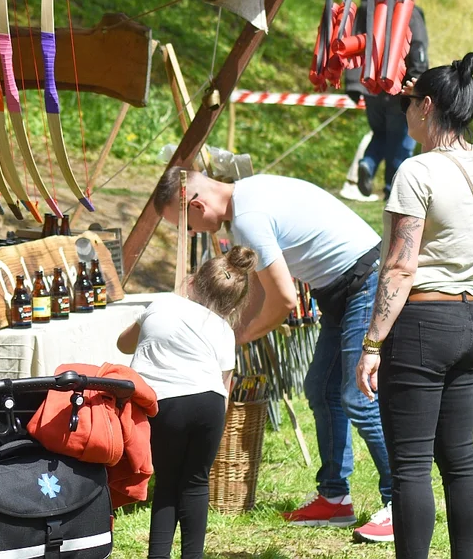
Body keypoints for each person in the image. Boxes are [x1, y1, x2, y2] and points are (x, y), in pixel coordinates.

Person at [153, 168, 394, 543]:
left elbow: (282, 300)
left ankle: (401, 503)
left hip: (365, 283)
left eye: (189, 224)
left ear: (195, 203)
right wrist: (229, 331)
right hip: (344, 288)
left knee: (357, 397)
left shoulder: (247, 219)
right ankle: (334, 497)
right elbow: (266, 293)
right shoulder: (249, 194)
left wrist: (234, 339)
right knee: (322, 390)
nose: (197, 233)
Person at [356, 52, 473, 559]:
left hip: (420, 324)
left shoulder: (416, 171)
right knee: (460, 460)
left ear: (429, 106)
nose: (405, 111)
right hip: (468, 320)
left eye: (410, 103)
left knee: (411, 465)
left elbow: (399, 266)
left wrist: (372, 342)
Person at [115, 247, 255, 559]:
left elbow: (123, 343)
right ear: (233, 303)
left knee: (166, 484)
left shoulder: (163, 302)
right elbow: (225, 386)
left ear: (192, 282)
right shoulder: (224, 329)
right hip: (209, 404)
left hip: (164, 404)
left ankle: (158, 555)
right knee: (195, 483)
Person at [344, 0, 430, 199]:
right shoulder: (409, 13)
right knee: (402, 141)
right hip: (399, 88)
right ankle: (395, 191)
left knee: (380, 134)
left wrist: (353, 83)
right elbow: (418, 48)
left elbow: (355, 46)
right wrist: (418, 86)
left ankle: (368, 164)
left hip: (371, 88)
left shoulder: (369, 11)